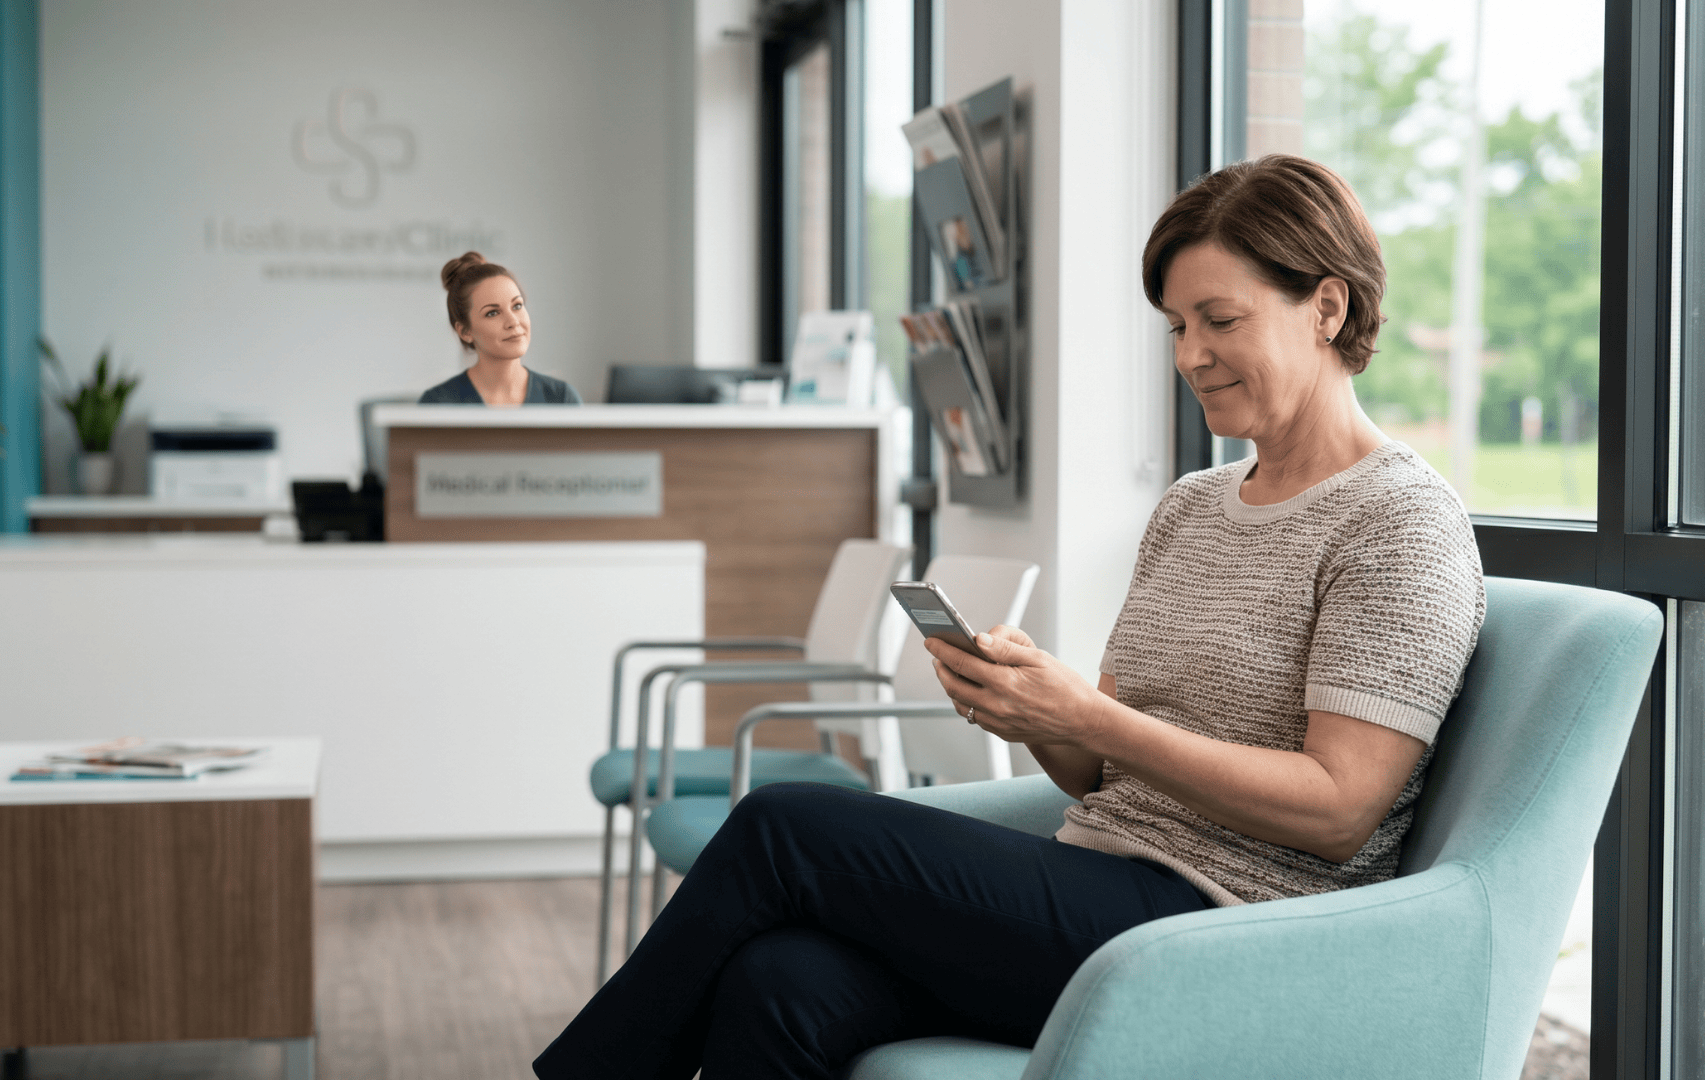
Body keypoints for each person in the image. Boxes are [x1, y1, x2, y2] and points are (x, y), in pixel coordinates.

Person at [533, 155, 1485, 1080]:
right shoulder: (1195, 506)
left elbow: (1341, 810)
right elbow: (1101, 772)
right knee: (779, 983)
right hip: (1098, 885)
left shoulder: (1398, 520)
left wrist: (1089, 717)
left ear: (1328, 305)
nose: (1191, 355)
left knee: (782, 828)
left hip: (1225, 926)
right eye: (1176, 326)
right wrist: (1030, 709)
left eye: (1220, 319)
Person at [420, 251, 582, 405]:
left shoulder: (562, 398)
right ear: (465, 331)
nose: (513, 321)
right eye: (492, 313)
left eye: (517, 306)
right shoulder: (437, 404)